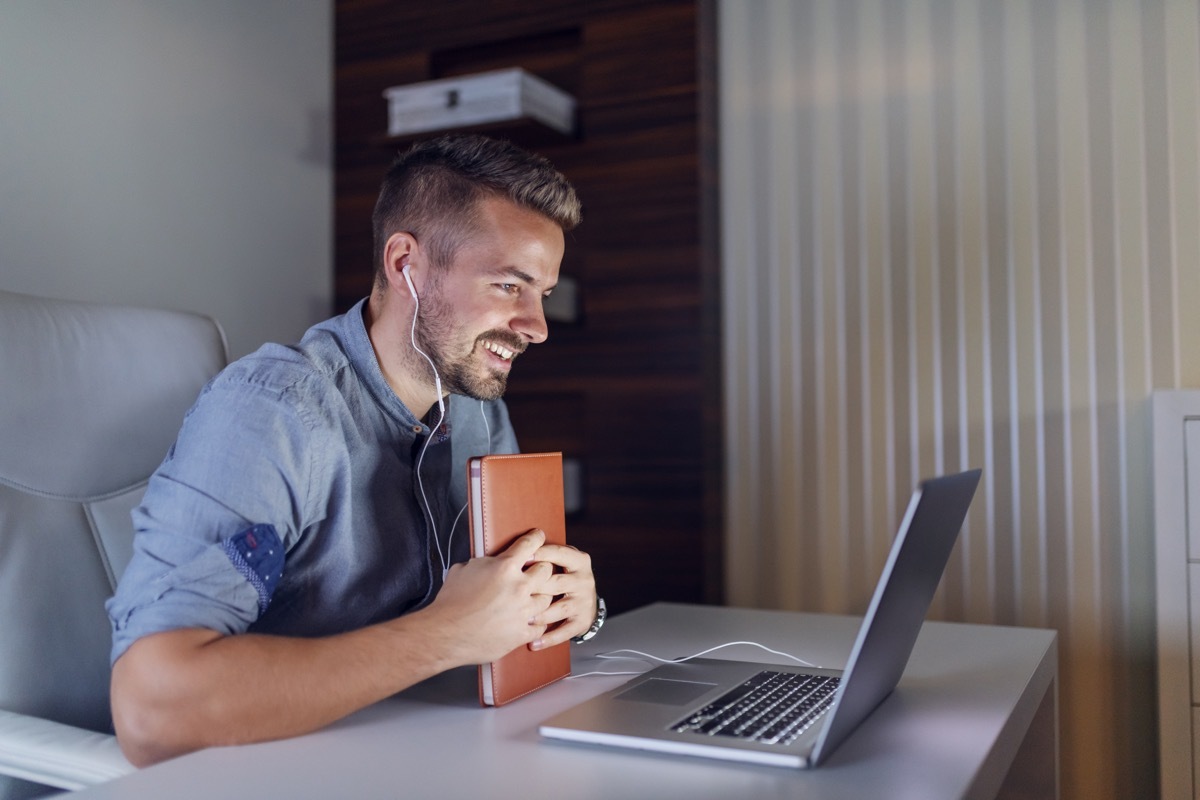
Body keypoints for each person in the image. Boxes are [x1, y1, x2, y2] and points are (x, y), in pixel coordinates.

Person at [106, 134, 600, 767]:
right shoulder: (271, 412)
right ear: (405, 266)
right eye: (510, 285)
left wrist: (569, 609)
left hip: (413, 756)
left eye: (543, 294)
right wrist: (446, 634)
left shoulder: (480, 410)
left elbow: (494, 613)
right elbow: (152, 710)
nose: (536, 326)